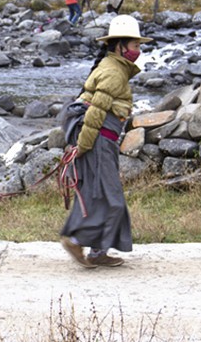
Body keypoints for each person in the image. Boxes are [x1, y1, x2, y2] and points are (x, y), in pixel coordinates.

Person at [59, 14, 152, 268]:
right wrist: (83, 147)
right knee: (112, 199)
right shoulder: (114, 73)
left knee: (97, 195)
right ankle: (78, 240)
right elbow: (96, 114)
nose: (138, 51)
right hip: (99, 142)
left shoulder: (112, 67)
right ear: (120, 46)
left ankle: (97, 252)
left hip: (102, 142)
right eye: (135, 45)